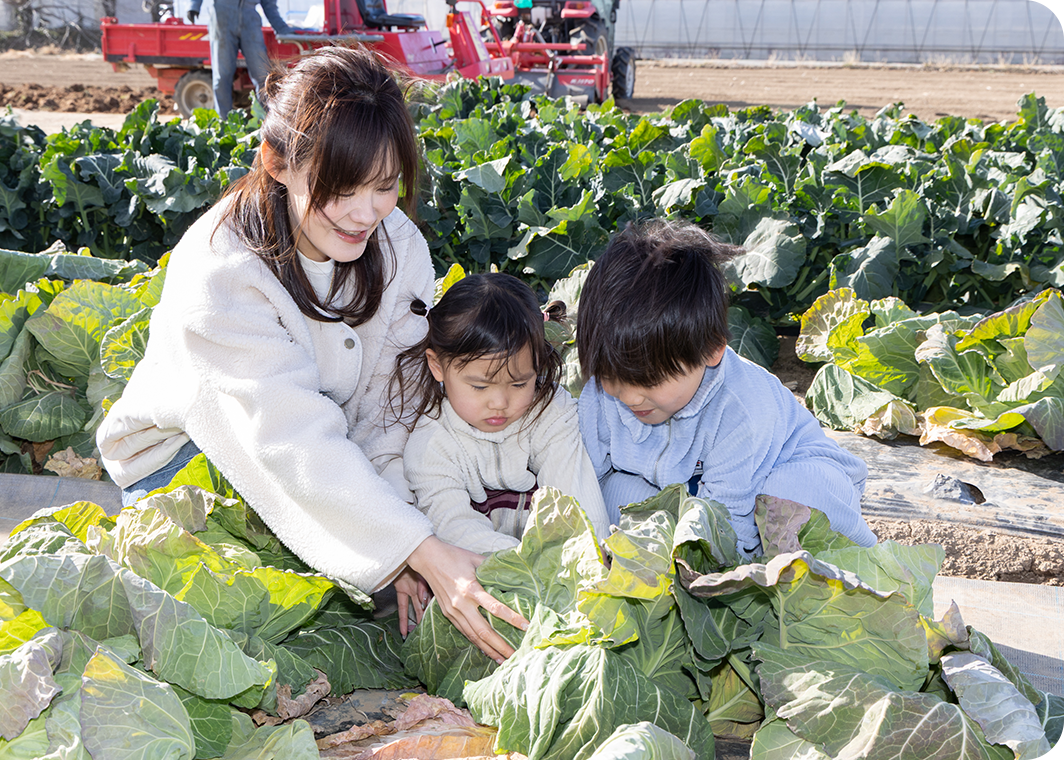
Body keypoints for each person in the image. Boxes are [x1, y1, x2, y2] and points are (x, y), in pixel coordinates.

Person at [96, 47, 526, 662]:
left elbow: (391, 408)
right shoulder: (221, 270)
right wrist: (414, 548)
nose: (364, 213)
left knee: (376, 598)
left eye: (384, 187)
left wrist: (402, 528)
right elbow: (284, 438)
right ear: (277, 162)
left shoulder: (397, 244)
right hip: (187, 464)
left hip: (326, 461)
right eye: (339, 188)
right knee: (238, 632)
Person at [575, 220, 877, 557]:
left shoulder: (739, 407)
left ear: (711, 351)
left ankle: (865, 562)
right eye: (610, 376)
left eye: (650, 380)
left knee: (786, 498)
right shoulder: (600, 398)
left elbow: (728, 521)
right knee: (612, 492)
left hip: (788, 475)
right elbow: (583, 482)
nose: (629, 397)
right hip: (693, 497)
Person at [390, 273, 612, 561]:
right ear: (437, 366)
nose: (500, 402)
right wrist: (528, 566)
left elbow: (576, 505)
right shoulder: (433, 440)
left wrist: (590, 558)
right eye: (480, 386)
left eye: (519, 383)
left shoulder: (551, 411)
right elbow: (453, 528)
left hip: (554, 562)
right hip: (483, 566)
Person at [187, 0, 295, 119]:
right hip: (222, 17)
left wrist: (281, 28)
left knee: (263, 74)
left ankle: (268, 121)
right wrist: (194, 6)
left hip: (250, 19)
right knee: (222, 76)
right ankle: (223, 122)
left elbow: (269, 4)